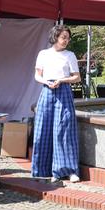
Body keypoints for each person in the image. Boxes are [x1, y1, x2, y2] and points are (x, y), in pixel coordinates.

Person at [32, 25, 82, 183]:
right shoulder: (43, 54)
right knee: (42, 130)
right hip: (46, 91)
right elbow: (37, 75)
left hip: (64, 91)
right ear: (55, 37)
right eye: (63, 37)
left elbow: (77, 77)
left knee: (64, 130)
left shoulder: (70, 55)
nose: (66, 40)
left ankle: (68, 171)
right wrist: (46, 81)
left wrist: (62, 80)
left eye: (67, 37)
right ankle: (41, 169)